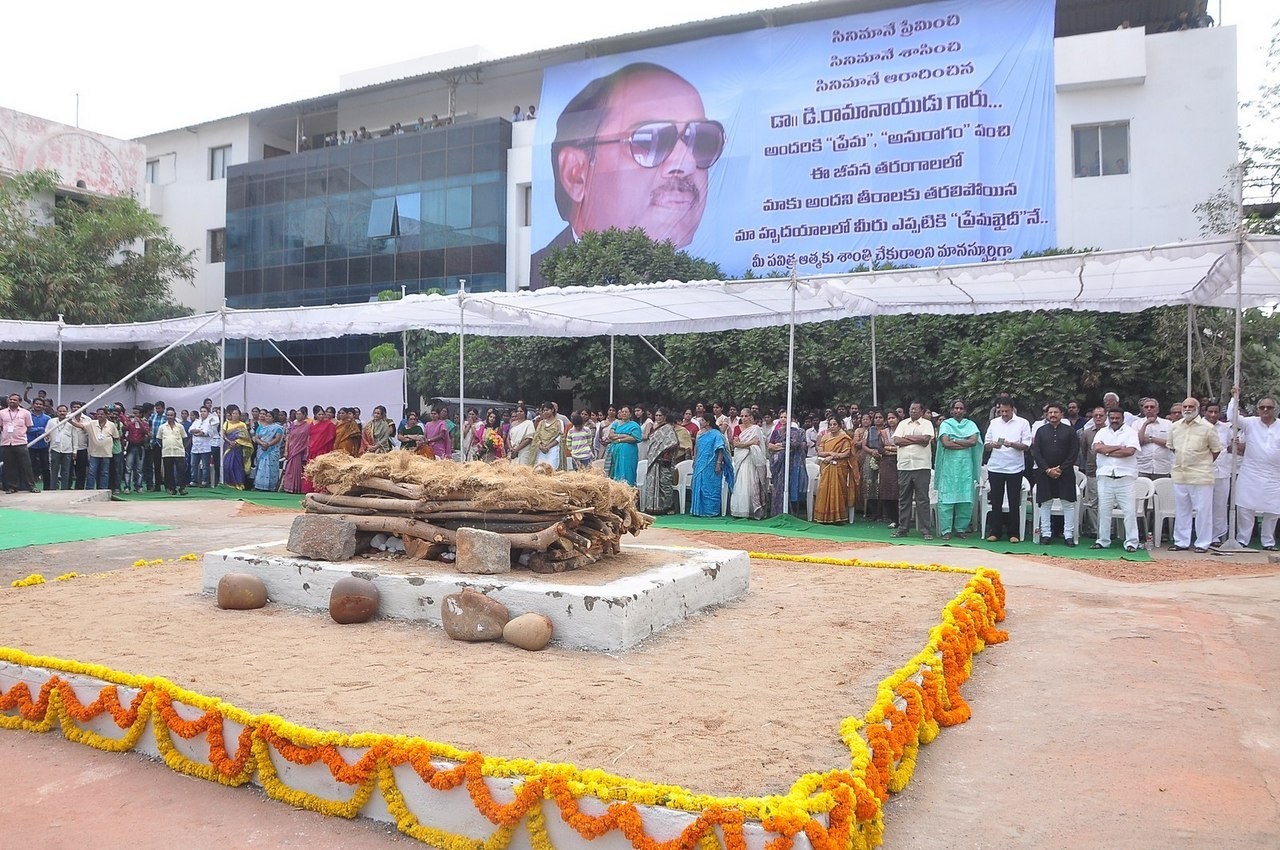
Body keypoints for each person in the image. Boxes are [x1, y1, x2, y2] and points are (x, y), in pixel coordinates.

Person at [530, 62, 724, 288]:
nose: (687, 163)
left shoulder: (702, 286)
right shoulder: (540, 282)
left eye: (702, 140)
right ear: (576, 174)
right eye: (650, 140)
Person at [1167, 397, 1222, 553]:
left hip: (1201, 475)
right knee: (1182, 510)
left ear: (1198, 408)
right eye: (1185, 406)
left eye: (1191, 406)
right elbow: (1172, 448)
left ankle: (1202, 543)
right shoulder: (1175, 426)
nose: (1187, 409)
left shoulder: (1207, 427)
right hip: (1180, 474)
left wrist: (1200, 462)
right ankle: (1181, 542)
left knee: (1203, 510)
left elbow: (1216, 450)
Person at [1228, 387, 1280, 550]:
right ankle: (1243, 539)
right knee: (1245, 507)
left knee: (1273, 510)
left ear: (1275, 410)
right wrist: (1235, 397)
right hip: (1251, 472)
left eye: (1269, 407)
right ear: (1258, 409)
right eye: (1262, 407)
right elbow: (1232, 417)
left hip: (1275, 475)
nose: (1265, 410)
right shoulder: (1251, 423)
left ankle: (1268, 541)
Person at [1092, 408, 1142, 552]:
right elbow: (1097, 448)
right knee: (1104, 511)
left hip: (1125, 478)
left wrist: (1107, 450)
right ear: (1108, 418)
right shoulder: (1102, 432)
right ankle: (1103, 541)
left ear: (1122, 418)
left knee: (1129, 512)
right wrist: (1118, 447)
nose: (1114, 420)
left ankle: (1132, 542)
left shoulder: (1130, 432)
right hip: (1105, 477)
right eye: (1112, 418)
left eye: (1117, 418)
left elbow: (1129, 452)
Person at [1031, 402, 1079, 546]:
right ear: (1046, 415)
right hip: (1045, 473)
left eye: (1056, 412)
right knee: (1045, 503)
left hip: (1065, 473)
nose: (1053, 415)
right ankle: (1046, 534)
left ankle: (1068, 535)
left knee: (1068, 504)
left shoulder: (1070, 431)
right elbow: (1036, 453)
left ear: (1062, 414)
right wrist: (1047, 469)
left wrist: (1061, 468)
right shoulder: (1041, 431)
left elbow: (1074, 452)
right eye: (1050, 413)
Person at [983, 398, 1032, 542]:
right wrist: (993, 445)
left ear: (1012, 409)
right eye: (1001, 411)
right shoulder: (994, 423)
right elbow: (986, 444)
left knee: (1013, 500)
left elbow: (1027, 445)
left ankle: (1014, 533)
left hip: (1014, 467)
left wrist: (1012, 444)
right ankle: (995, 532)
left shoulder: (1022, 423)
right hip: (996, 466)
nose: (1003, 414)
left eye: (1006, 411)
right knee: (996, 500)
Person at [934, 400, 982, 540]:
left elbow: (973, 442)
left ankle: (961, 529)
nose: (958, 410)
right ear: (951, 410)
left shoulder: (970, 424)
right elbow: (946, 443)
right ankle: (946, 530)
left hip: (965, 468)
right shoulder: (946, 424)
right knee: (946, 499)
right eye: (956, 408)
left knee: (965, 500)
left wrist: (955, 440)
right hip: (948, 468)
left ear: (965, 411)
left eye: (961, 408)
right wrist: (963, 442)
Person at [892, 401, 934, 539]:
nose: (913, 411)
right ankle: (902, 529)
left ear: (922, 411)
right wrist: (916, 439)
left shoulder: (927, 424)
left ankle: (925, 530)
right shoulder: (902, 423)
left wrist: (907, 437)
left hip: (921, 465)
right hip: (904, 466)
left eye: (916, 409)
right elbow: (897, 441)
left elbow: (925, 440)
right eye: (911, 409)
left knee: (922, 499)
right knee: (904, 498)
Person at [1203, 401, 1234, 545]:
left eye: (1216, 412)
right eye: (1210, 411)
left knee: (1220, 505)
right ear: (1205, 412)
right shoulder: (1199, 426)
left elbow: (1230, 447)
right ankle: (1204, 536)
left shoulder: (1226, 428)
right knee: (1204, 505)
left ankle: (1216, 536)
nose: (1213, 415)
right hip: (1203, 471)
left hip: (1222, 471)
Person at [813, 416, 853, 524]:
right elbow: (820, 452)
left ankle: (838, 517)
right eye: (830, 425)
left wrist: (834, 456)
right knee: (824, 488)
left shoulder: (844, 437)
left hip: (839, 466)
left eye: (835, 424)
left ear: (839, 425)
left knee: (838, 490)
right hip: (826, 466)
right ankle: (823, 517)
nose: (832, 427)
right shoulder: (825, 437)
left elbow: (846, 453)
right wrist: (831, 454)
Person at [690, 415, 734, 516]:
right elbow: (696, 447)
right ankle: (698, 511)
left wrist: (718, 464)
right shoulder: (700, 433)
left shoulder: (716, 434)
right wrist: (695, 459)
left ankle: (711, 511)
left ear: (708, 422)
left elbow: (720, 449)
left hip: (711, 464)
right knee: (699, 486)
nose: (700, 422)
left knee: (710, 488)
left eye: (702, 420)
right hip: (699, 463)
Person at [767, 411, 808, 517]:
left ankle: (791, 513)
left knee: (791, 487)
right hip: (778, 464)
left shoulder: (796, 432)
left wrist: (780, 444)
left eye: (785, 417)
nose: (783, 419)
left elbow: (795, 444)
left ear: (791, 419)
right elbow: (770, 446)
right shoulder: (776, 432)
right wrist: (782, 447)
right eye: (781, 417)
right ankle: (777, 512)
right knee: (778, 486)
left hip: (792, 464)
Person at [729, 410, 768, 519]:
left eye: (746, 416)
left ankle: (754, 510)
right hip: (741, 459)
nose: (744, 418)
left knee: (752, 483)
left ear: (751, 417)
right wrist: (750, 443)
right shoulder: (737, 428)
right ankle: (741, 510)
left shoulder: (756, 429)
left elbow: (759, 446)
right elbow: (735, 444)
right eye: (742, 416)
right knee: (742, 482)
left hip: (753, 459)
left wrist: (744, 444)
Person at [640, 408, 680, 514]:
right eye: (656, 415)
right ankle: (654, 506)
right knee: (653, 482)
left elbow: (673, 442)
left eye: (660, 416)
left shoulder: (667, 428)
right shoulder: (654, 428)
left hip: (663, 460)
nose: (658, 417)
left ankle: (668, 506)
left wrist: (662, 451)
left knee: (664, 484)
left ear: (665, 417)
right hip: (653, 460)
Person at [71, 407, 118, 491]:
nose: (100, 415)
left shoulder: (111, 425)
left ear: (106, 415)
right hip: (94, 453)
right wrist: (70, 421)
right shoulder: (91, 423)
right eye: (98, 414)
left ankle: (103, 489)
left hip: (106, 453)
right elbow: (80, 426)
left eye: (102, 414)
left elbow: (116, 437)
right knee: (91, 472)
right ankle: (89, 489)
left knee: (105, 473)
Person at [1079, 406, 1107, 537]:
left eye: (1101, 415)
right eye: (1096, 415)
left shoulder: (1111, 432)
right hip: (1092, 471)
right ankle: (1094, 530)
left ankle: (1108, 531)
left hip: (1109, 472)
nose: (1098, 418)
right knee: (1093, 502)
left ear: (1106, 416)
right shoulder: (1087, 433)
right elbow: (1084, 452)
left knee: (1108, 502)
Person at [1, 393, 36, 493]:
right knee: (9, 465)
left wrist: (19, 433)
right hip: (6, 442)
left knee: (26, 465)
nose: (12, 401)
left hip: (20, 442)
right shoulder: (2, 413)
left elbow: (29, 426)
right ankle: (12, 487)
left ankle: (31, 486)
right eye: (10, 399)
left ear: (19, 402)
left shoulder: (25, 413)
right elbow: (1, 426)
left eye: (15, 400)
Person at [302, 408, 338, 492]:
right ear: (315, 414)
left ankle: (320, 488)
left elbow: (331, 437)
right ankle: (309, 488)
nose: (321, 416)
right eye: (319, 414)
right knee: (311, 469)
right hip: (312, 449)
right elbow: (309, 436)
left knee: (321, 469)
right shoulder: (311, 424)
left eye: (322, 414)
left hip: (323, 450)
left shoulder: (329, 424)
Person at [1136, 398, 1173, 479]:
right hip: (1142, 467)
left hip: (1162, 468)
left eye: (1152, 407)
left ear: (1157, 410)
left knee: (1162, 491)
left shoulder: (1168, 424)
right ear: (1143, 410)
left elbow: (1170, 444)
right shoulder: (1136, 424)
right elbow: (1138, 442)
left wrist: (1151, 439)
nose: (1149, 409)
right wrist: (1145, 424)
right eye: (1146, 407)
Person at [605, 405, 641, 484]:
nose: (624, 413)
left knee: (627, 471)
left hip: (629, 453)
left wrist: (619, 440)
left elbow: (635, 438)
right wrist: (624, 435)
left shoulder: (634, 425)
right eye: (622, 412)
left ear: (630, 414)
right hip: (615, 452)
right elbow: (611, 435)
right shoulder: (616, 424)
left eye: (626, 412)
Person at [156, 408, 188, 496]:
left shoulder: (180, 426)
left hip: (179, 452)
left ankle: (182, 488)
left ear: (174, 416)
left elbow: (185, 438)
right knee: (168, 471)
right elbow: (159, 439)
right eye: (168, 415)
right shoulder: (162, 427)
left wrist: (182, 448)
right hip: (167, 452)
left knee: (181, 471)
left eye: (171, 415)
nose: (170, 417)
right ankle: (171, 488)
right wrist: (166, 445)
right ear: (166, 416)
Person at [252, 411, 285, 491]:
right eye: (266, 416)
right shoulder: (260, 427)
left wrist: (268, 444)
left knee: (272, 468)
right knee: (260, 467)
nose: (267, 418)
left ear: (273, 418)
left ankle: (271, 487)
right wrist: (262, 443)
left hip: (272, 450)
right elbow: (256, 437)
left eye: (270, 416)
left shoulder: (277, 428)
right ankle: (259, 486)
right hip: (261, 450)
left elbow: (277, 438)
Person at [221, 407, 252, 490]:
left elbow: (245, 436)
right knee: (228, 465)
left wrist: (237, 442)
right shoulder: (226, 423)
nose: (235, 415)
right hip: (228, 447)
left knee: (237, 466)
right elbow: (223, 434)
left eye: (237, 413)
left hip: (238, 448)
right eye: (234, 413)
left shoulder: (242, 424)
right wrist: (229, 442)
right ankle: (229, 483)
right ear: (231, 415)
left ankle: (239, 484)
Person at [283, 408, 310, 493]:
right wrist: (286, 450)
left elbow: (308, 439)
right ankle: (288, 487)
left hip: (300, 450)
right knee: (289, 469)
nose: (298, 416)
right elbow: (288, 437)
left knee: (297, 469)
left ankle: (296, 487)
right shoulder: (292, 425)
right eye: (297, 414)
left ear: (304, 415)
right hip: (291, 449)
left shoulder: (307, 426)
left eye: (300, 414)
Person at [27, 398, 50, 491]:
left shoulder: (47, 418)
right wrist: (40, 429)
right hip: (30, 445)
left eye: (40, 404)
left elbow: (48, 430)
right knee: (30, 466)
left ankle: (48, 487)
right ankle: (30, 486)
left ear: (43, 406)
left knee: (45, 467)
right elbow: (27, 429)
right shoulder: (28, 416)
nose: (38, 405)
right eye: (36, 403)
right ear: (33, 405)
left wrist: (34, 429)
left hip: (43, 445)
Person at [533, 403, 565, 469]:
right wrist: (541, 446)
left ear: (552, 410)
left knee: (552, 469)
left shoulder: (558, 422)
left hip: (553, 449)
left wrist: (548, 447)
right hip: (541, 450)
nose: (545, 412)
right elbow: (536, 436)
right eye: (543, 411)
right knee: (540, 469)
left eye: (547, 410)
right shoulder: (541, 423)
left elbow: (560, 437)